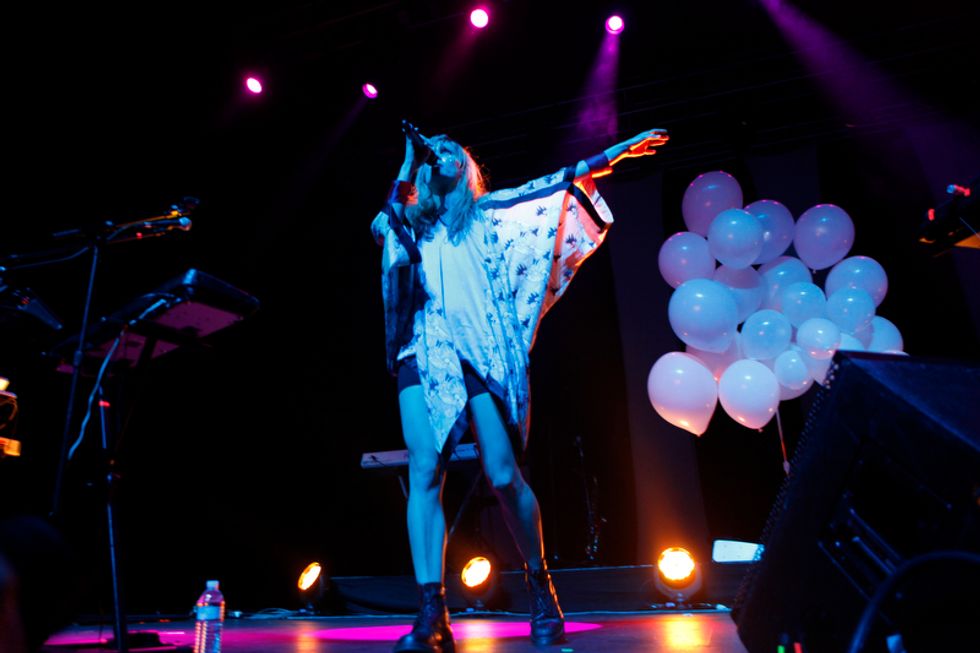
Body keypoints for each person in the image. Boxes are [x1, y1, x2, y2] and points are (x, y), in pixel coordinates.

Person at [371, 123, 668, 653]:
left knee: (505, 476)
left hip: (481, 349)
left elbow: (553, 185)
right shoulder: (406, 223)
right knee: (424, 469)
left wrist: (615, 154)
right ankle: (432, 612)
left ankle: (539, 582)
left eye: (450, 149)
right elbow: (384, 229)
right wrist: (408, 165)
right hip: (424, 350)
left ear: (465, 167)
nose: (440, 152)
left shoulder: (490, 215)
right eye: (432, 149)